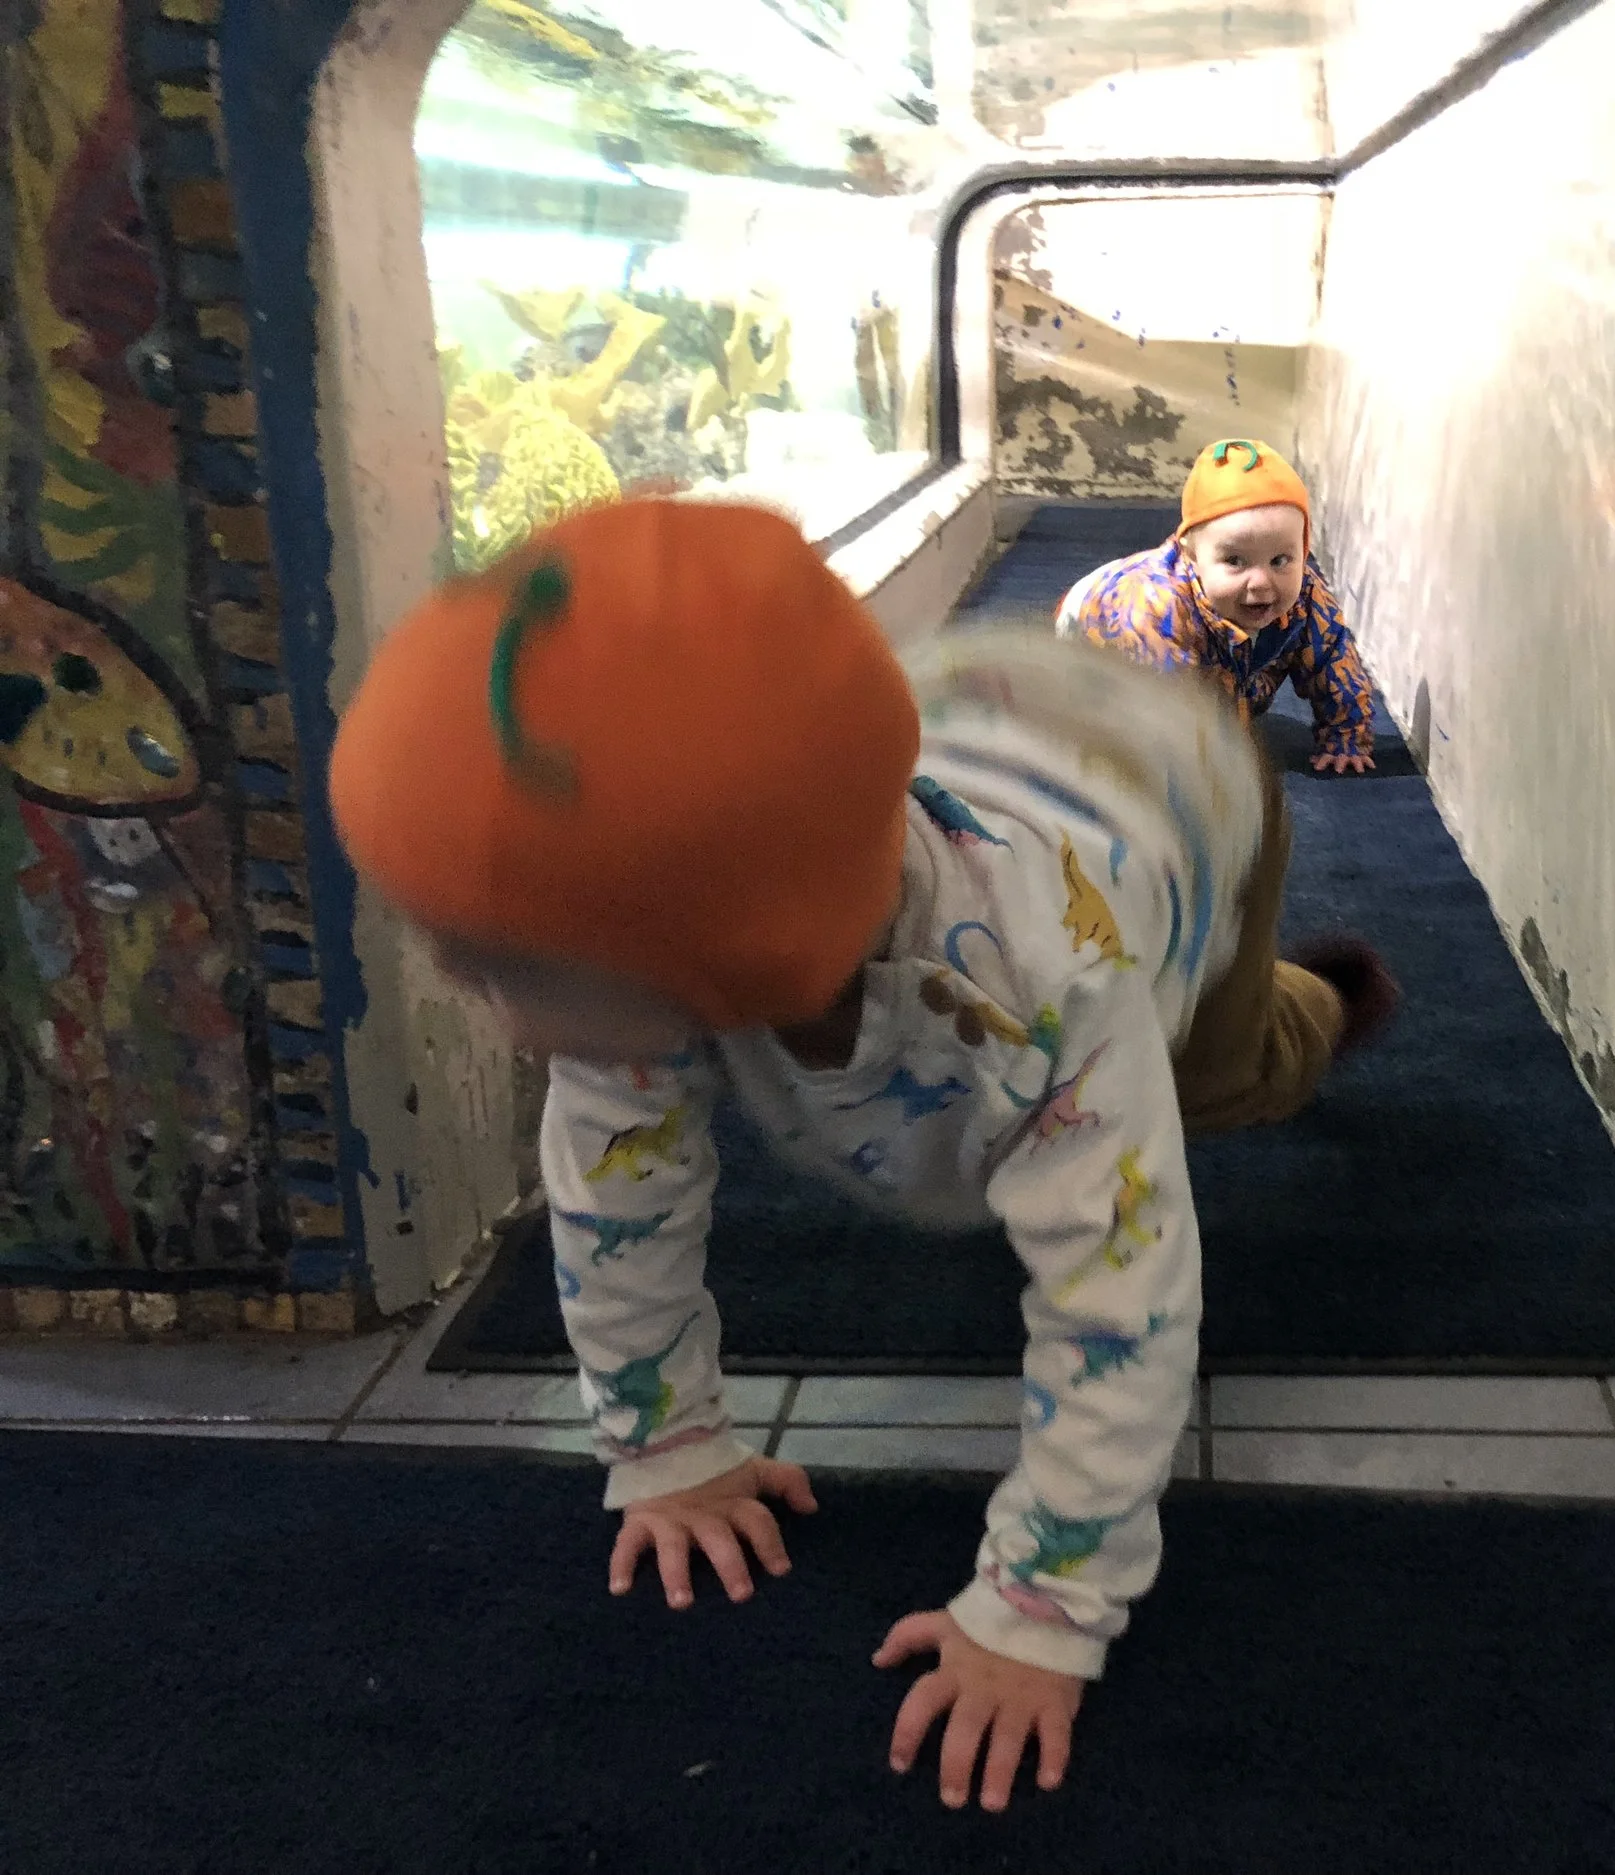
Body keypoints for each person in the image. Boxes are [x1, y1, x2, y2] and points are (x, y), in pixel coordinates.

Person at [326, 497, 1397, 1814]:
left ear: (726, 956)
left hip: (1177, 783)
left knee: (1217, 1078)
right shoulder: (653, 960)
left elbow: (1126, 1307)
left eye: (498, 967)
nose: (465, 993)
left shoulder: (1053, 998)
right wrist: (668, 1441)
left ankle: (1315, 1002)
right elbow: (618, 1201)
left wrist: (1043, 1604)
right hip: (968, 716)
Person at [1057, 437, 1379, 774]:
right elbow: (1162, 709)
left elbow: (1334, 657)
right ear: (1192, 555)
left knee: (1234, 693)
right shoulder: (1154, 610)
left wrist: (1347, 736)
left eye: (1280, 560)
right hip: (1095, 627)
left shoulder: (1306, 595)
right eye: (1235, 561)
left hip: (1219, 652)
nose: (1261, 582)